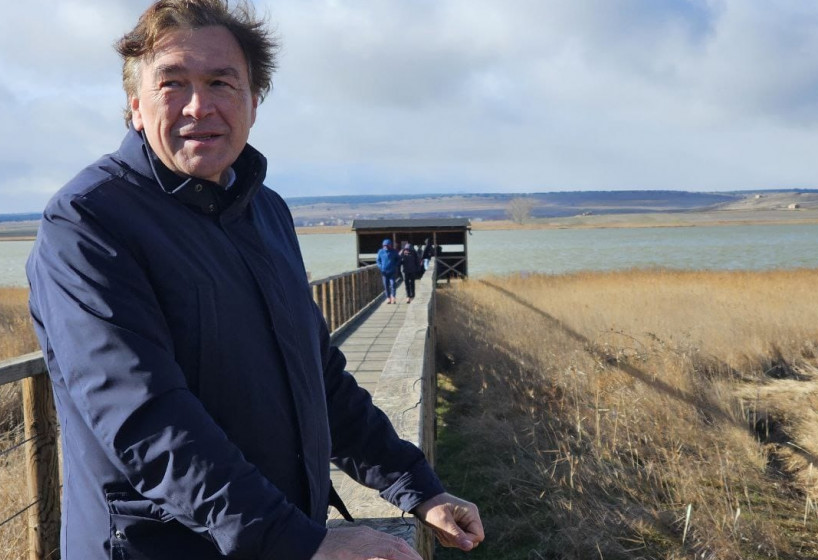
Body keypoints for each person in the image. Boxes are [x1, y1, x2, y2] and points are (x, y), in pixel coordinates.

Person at [24, 1, 484, 559]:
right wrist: (300, 542)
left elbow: (321, 378)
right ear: (135, 108)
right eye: (173, 83)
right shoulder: (88, 222)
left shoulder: (265, 212)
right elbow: (145, 420)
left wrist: (418, 487)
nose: (200, 106)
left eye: (222, 82)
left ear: (254, 102)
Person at [376, 238, 400, 304]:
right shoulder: (380, 251)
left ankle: (393, 297)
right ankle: (388, 298)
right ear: (383, 245)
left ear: (390, 245)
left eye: (387, 245)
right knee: (386, 285)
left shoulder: (394, 251)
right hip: (384, 272)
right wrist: (380, 267)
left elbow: (398, 259)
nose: (385, 246)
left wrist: (395, 265)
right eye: (384, 245)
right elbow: (378, 261)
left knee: (393, 284)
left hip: (392, 271)